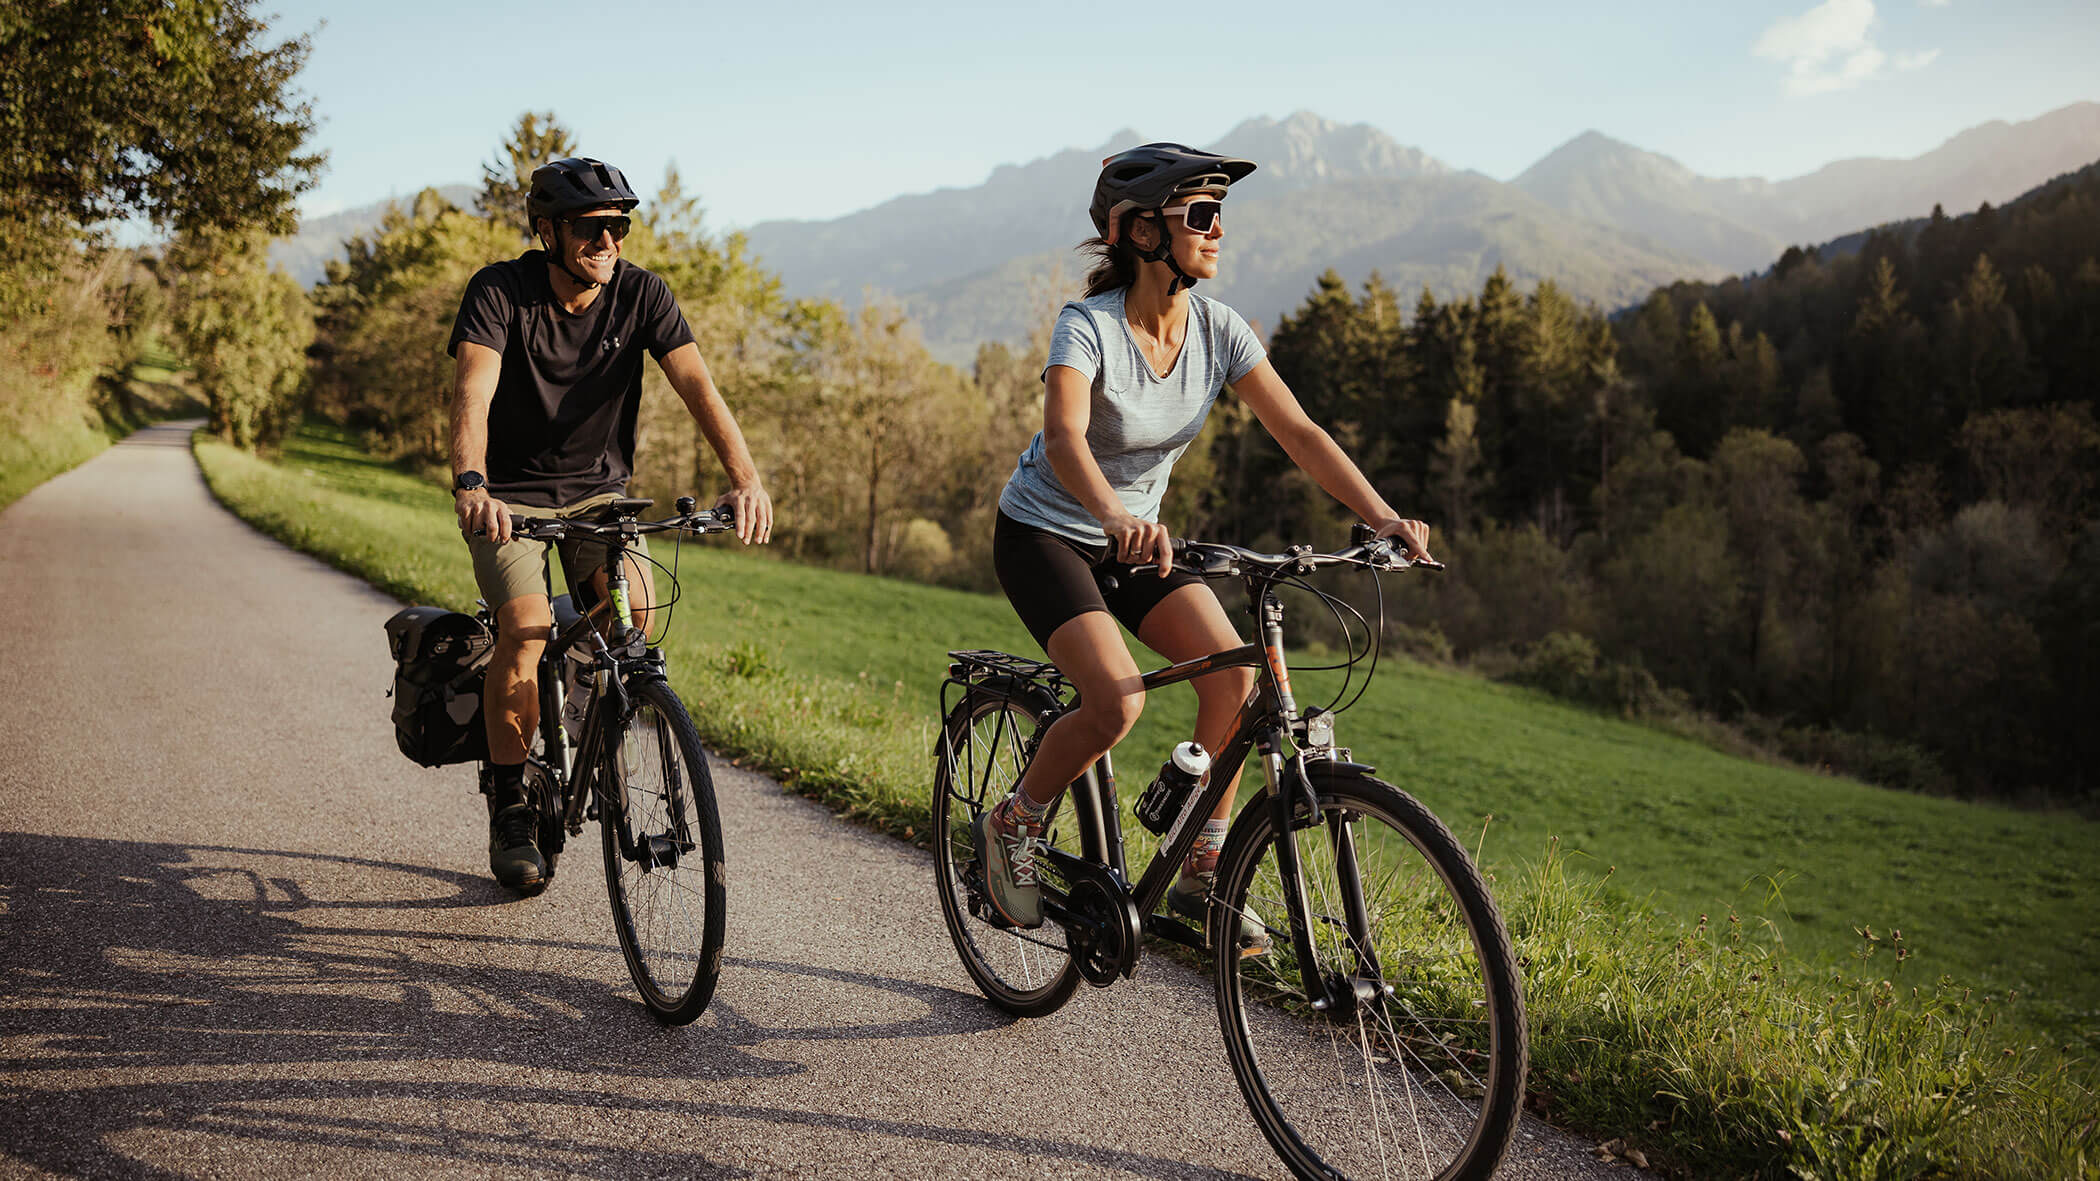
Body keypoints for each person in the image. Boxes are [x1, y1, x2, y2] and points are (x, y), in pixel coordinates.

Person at [976, 143, 1434, 937]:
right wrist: (1113, 515)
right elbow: (1064, 438)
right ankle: (1015, 821)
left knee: (1237, 685)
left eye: (1220, 214)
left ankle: (1203, 869)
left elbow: (1299, 430)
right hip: (1047, 533)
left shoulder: (1218, 330)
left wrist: (1380, 514)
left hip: (1141, 543)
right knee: (1115, 701)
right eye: (1203, 215)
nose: (1219, 231)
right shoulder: (1087, 327)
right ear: (1142, 232)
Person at [448, 156, 774, 891]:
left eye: (619, 226)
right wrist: (471, 481)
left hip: (600, 496)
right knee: (526, 630)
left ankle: (582, 691)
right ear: (549, 231)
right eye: (593, 227)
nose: (609, 240)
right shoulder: (501, 292)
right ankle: (511, 805)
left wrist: (745, 479)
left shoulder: (641, 295)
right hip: (510, 499)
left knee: (637, 613)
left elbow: (698, 385)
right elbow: (472, 392)